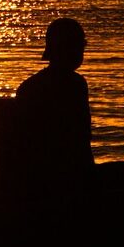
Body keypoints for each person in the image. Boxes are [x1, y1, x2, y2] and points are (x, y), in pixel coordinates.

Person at [15, 18, 95, 200]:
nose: (81, 50)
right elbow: (80, 141)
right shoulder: (75, 85)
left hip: (37, 177)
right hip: (60, 178)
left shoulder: (29, 86)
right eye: (78, 45)